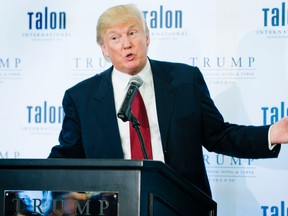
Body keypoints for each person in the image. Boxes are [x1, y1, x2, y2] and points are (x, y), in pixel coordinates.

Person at [48, 4, 288, 197]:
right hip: (115, 206)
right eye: (115, 38)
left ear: (147, 37)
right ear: (104, 49)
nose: (126, 44)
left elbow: (218, 135)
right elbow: (67, 156)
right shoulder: (81, 97)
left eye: (133, 33)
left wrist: (271, 134)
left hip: (180, 203)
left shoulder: (185, 80)